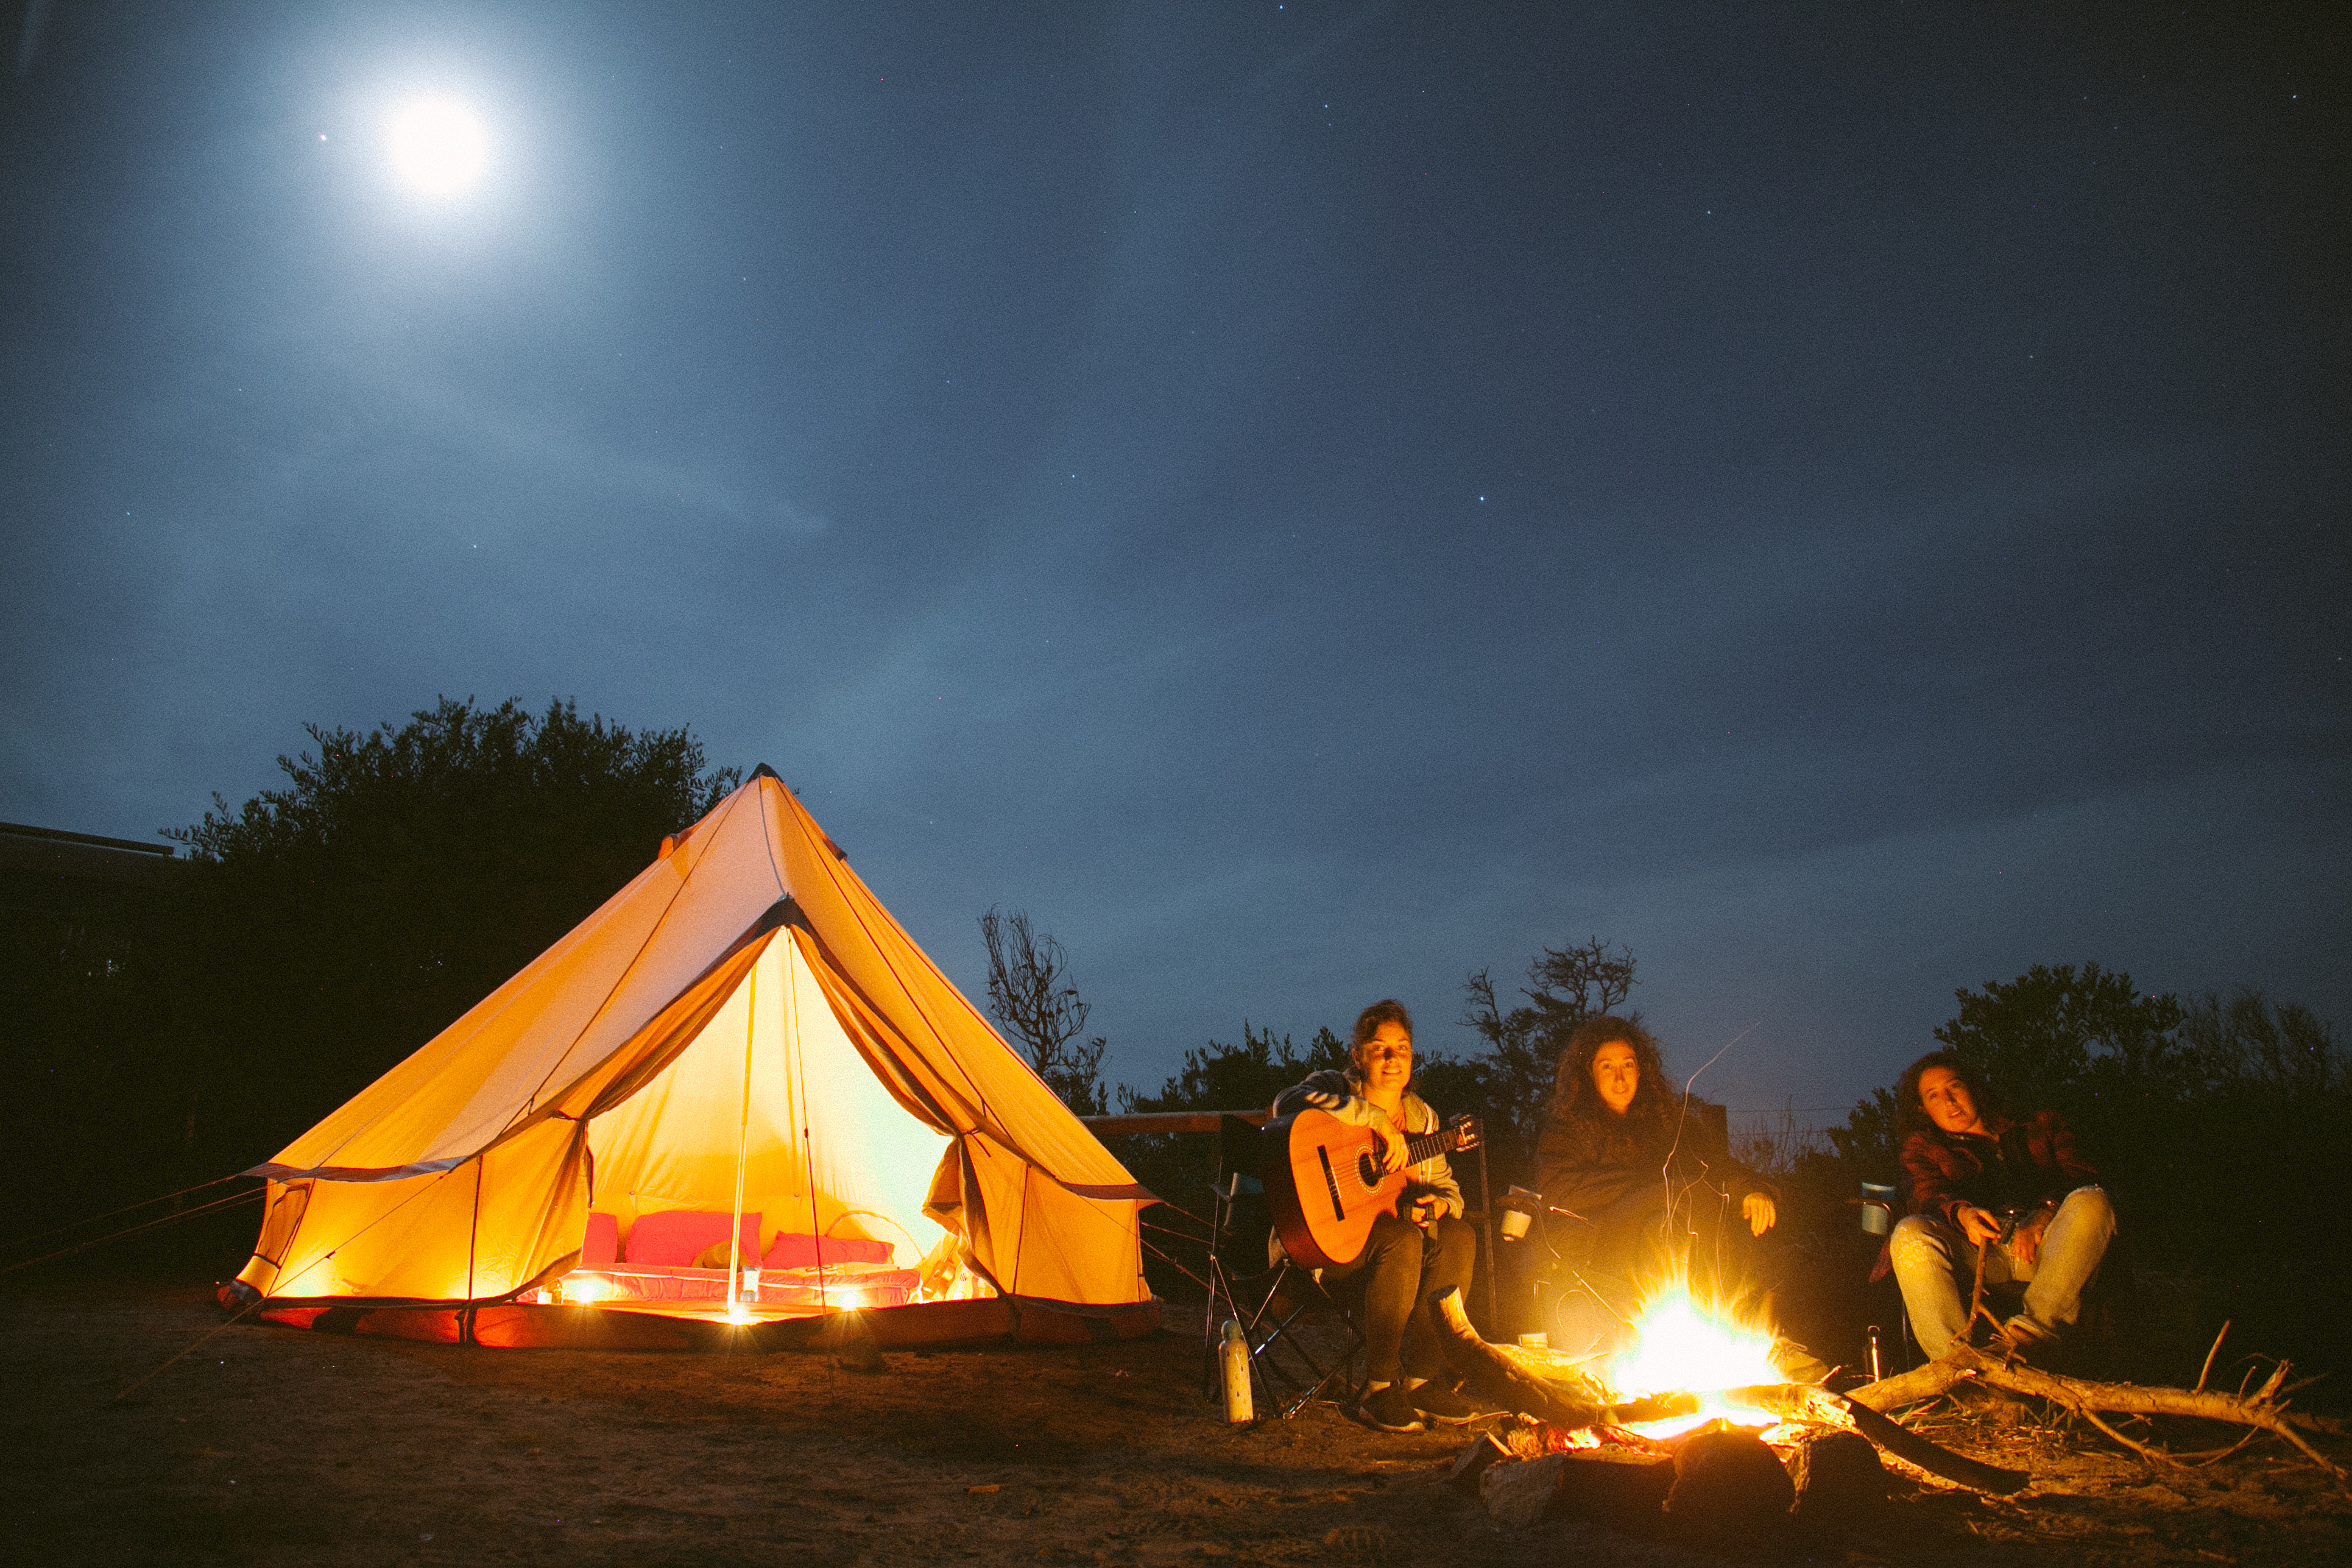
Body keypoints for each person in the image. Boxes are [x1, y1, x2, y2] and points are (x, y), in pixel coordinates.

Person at [1271, 999, 1486, 1432]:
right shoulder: (1331, 1087)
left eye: (1402, 1048)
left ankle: (1422, 1380)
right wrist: (1372, 1119)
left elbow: (1449, 1191)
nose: (1392, 1059)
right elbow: (1285, 1102)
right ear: (1357, 1055)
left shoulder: (1424, 1119)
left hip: (1393, 1263)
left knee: (1458, 1236)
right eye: (1379, 1048)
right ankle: (1379, 1387)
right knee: (1401, 1238)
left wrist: (1441, 1206)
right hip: (1323, 1249)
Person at [1531, 1016, 1779, 1356]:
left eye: (1628, 1065)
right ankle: (1668, 1342)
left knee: (1713, 1214)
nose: (1620, 1078)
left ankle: (1742, 1334)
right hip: (1595, 1241)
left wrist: (1750, 1189)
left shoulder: (1664, 1119)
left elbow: (1714, 1162)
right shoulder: (1567, 1128)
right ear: (1589, 1074)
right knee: (1673, 1200)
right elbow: (1561, 1189)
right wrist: (1648, 1187)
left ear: (1641, 1070)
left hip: (1664, 1229)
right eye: (1607, 1067)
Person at [1887, 1050, 2116, 1361]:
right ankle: (1960, 1367)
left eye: (1954, 1087)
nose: (1950, 1102)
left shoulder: (2039, 1125)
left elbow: (2080, 1174)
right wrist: (1962, 1214)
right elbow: (1926, 1196)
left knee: (2093, 1199)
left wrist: (2043, 1213)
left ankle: (2026, 1336)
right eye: (1934, 1096)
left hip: (2048, 1246)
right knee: (1909, 1233)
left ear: (1972, 1087)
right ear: (1923, 1109)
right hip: (1982, 1251)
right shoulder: (1925, 1147)